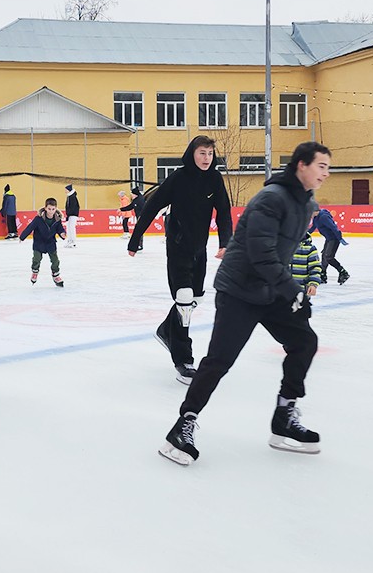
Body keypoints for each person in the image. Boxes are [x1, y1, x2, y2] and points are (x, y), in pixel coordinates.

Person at [159, 141, 327, 466]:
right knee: (220, 360)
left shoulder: (306, 205)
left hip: (269, 290)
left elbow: (280, 255)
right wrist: (292, 289)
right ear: (301, 166)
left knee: (304, 341)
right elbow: (262, 254)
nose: (325, 173)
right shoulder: (271, 198)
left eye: (327, 167)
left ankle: (284, 418)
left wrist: (290, 291)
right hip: (239, 289)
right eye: (321, 166)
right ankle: (183, 426)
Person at [128, 135, 233, 385]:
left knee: (194, 299)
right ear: (192, 154)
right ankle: (184, 361)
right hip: (177, 248)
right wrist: (135, 240)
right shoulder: (178, 178)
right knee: (184, 299)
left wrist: (225, 242)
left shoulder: (215, 179)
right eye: (202, 153)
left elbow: (224, 212)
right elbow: (151, 207)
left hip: (200, 249)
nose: (206, 158)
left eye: (210, 154)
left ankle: (166, 329)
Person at [19, 198, 66, 286]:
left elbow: (60, 228)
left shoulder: (57, 219)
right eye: (49, 209)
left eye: (53, 209)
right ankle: (35, 272)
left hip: (50, 243)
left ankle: (56, 275)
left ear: (56, 208)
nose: (51, 211)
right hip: (39, 242)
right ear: (45, 208)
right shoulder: (38, 219)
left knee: (55, 260)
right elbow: (30, 227)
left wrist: (62, 233)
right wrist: (22, 237)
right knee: (37, 259)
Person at [311, 208, 350, 284]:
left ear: (315, 211)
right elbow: (313, 228)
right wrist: (305, 234)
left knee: (329, 257)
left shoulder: (323, 217)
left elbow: (333, 227)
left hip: (334, 238)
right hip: (329, 239)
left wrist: (340, 238)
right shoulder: (316, 218)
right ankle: (323, 275)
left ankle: (343, 272)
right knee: (324, 256)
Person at [119, 185, 146, 251]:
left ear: (135, 194)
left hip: (141, 217)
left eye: (132, 194)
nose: (131, 195)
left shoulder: (140, 200)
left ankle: (139, 245)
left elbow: (144, 209)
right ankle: (139, 245)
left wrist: (141, 217)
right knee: (138, 231)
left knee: (139, 231)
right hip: (139, 217)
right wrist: (121, 209)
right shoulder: (135, 200)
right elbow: (130, 207)